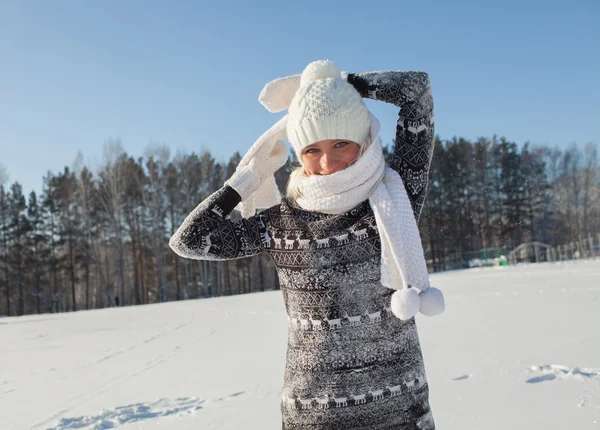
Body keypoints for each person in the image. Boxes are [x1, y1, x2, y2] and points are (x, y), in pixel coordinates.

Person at [169, 60, 444, 430]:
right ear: (299, 154)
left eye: (341, 143)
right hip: (315, 416)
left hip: (401, 413)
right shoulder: (281, 222)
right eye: (312, 149)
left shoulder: (395, 196)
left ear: (363, 142)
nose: (326, 161)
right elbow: (189, 240)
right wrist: (243, 184)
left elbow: (416, 90)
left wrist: (344, 85)